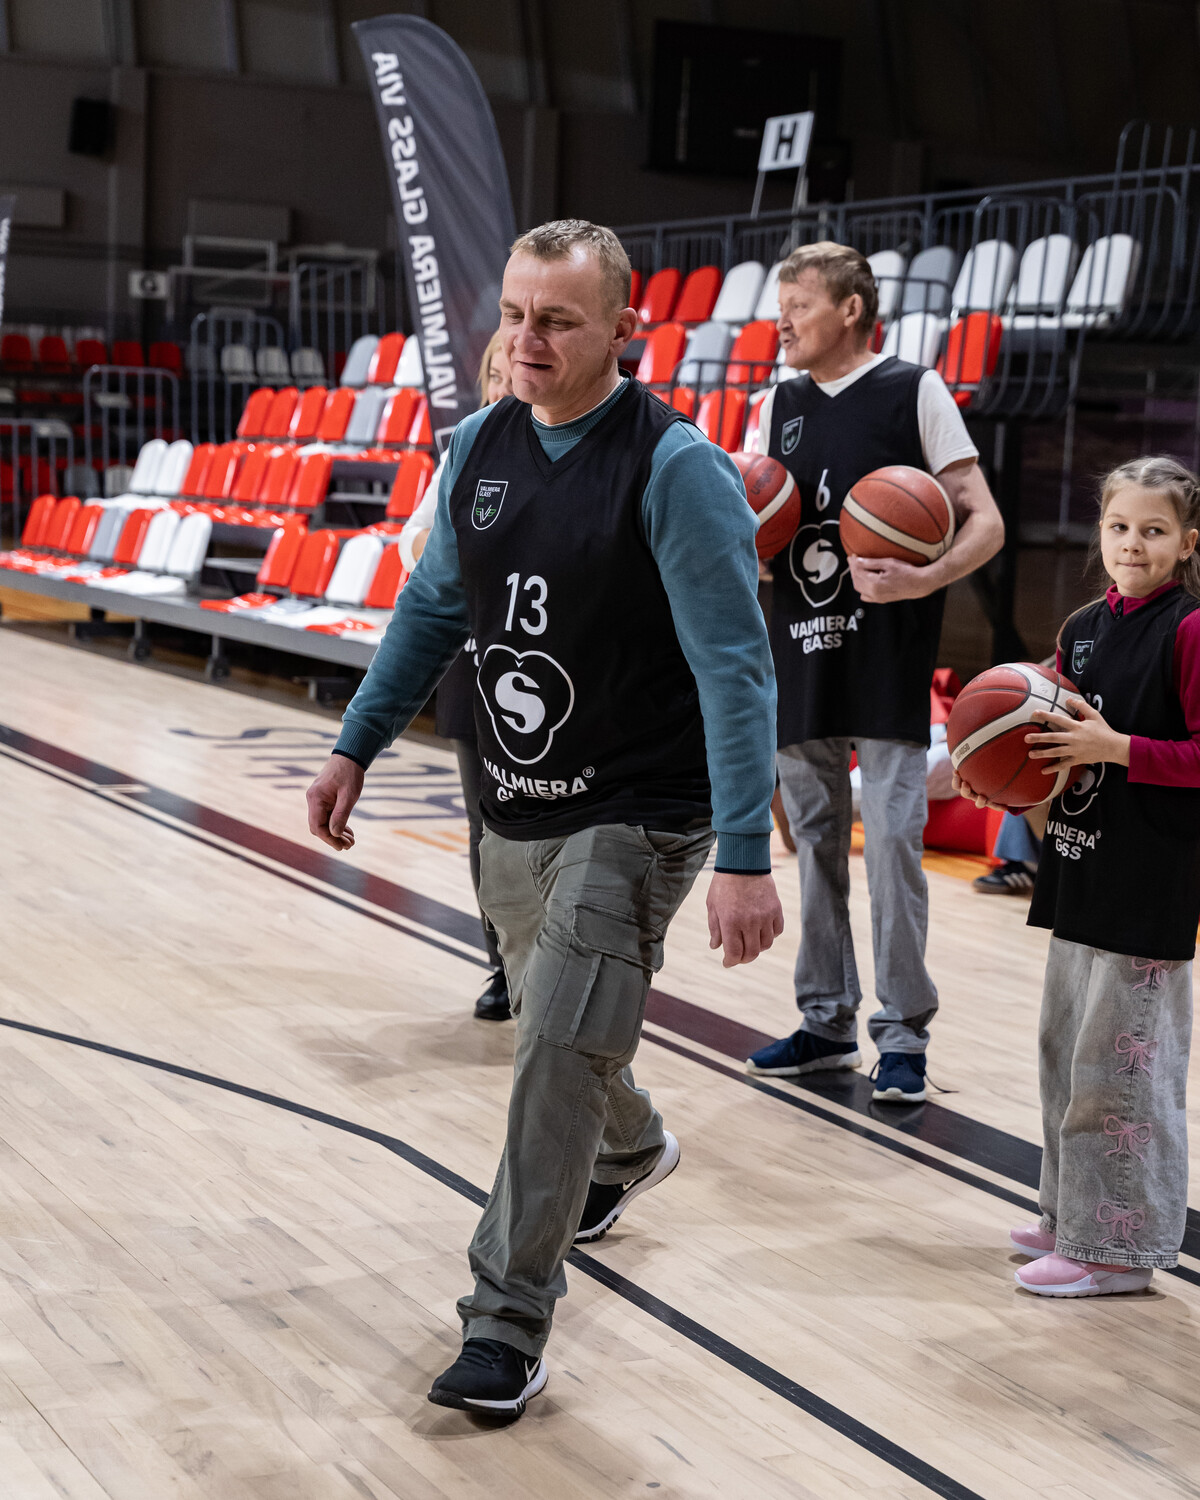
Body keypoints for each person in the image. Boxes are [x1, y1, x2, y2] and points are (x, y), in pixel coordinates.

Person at [306, 219, 782, 1417]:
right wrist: (356, 742)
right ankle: (631, 1147)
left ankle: (506, 1323)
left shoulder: (675, 468)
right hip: (515, 807)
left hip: (640, 810)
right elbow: (431, 609)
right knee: (555, 1031)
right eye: (516, 314)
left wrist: (743, 853)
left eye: (558, 320)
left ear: (625, 329)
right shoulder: (477, 445)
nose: (527, 338)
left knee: (554, 1052)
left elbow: (735, 671)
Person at [745, 241, 1005, 1104]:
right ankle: (825, 1023)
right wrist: (750, 551)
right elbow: (753, 524)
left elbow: (985, 521)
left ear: (850, 309)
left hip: (889, 656)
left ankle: (902, 1036)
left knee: (892, 845)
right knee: (813, 844)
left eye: (799, 306)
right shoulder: (775, 404)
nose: (782, 323)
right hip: (800, 650)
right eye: (780, 307)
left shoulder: (914, 390)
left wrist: (927, 578)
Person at [959, 456, 1200, 1297]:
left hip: (1150, 884)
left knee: (1121, 1078)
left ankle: (1119, 1251)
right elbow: (1035, 736)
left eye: (1154, 530)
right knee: (1066, 1059)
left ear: (1187, 543)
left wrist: (1118, 748)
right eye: (1119, 526)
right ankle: (1070, 1217)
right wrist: (988, 773)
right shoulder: (1082, 628)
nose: (1133, 543)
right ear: (1100, 531)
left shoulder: (1190, 630)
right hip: (1080, 869)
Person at [400, 331, 514, 1019]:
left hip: (544, 667)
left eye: (512, 372)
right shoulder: (465, 449)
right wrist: (458, 553)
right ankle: (500, 964)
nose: (503, 386)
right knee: (483, 825)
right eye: (493, 375)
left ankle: (547, 964)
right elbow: (412, 539)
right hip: (472, 664)